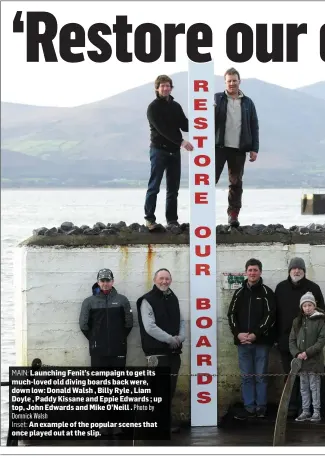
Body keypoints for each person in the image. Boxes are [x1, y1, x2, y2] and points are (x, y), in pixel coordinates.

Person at [274, 257, 325, 418]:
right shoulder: (281, 288)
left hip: (309, 346)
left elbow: (322, 316)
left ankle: (310, 410)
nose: (296, 271)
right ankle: (292, 406)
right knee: (290, 376)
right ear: (289, 271)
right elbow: (275, 314)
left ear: (304, 271)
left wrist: (318, 344)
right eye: (293, 268)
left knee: (310, 380)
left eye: (299, 269)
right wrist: (277, 338)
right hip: (286, 343)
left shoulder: (314, 288)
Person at [136, 268, 186, 434]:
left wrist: (181, 337)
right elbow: (149, 327)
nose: (164, 281)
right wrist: (170, 339)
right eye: (161, 279)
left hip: (173, 354)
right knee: (155, 391)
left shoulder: (173, 298)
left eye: (167, 279)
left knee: (169, 390)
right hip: (156, 354)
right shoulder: (147, 300)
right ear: (155, 280)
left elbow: (182, 320)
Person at [144, 75, 194, 230]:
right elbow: (162, 130)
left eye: (168, 86)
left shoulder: (176, 106)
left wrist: (205, 118)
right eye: (162, 86)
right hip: (158, 150)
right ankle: (149, 219)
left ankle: (172, 220)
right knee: (154, 186)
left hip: (174, 152)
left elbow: (185, 125)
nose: (165, 88)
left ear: (171, 88)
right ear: (157, 88)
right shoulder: (152, 108)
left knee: (173, 188)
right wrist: (182, 142)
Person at [227, 258, 276, 418]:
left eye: (255, 270)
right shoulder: (239, 293)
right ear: (246, 272)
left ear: (260, 272)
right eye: (250, 270)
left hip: (261, 343)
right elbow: (231, 315)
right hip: (242, 343)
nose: (253, 273)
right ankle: (249, 407)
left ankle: (261, 407)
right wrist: (238, 333)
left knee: (261, 376)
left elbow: (270, 316)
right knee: (246, 376)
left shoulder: (267, 293)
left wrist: (256, 334)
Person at [214, 68, 260, 227]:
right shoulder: (216, 99)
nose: (232, 83)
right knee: (209, 180)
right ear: (225, 82)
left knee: (236, 183)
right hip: (218, 147)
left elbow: (254, 126)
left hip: (239, 149)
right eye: (229, 81)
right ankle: (203, 212)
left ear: (239, 81)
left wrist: (255, 148)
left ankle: (233, 216)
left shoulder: (248, 102)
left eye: (234, 80)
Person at [79, 268, 133, 367]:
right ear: (98, 282)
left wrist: (119, 338)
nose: (105, 283)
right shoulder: (89, 302)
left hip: (118, 348)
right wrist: (95, 338)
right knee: (99, 381)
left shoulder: (122, 300)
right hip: (97, 350)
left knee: (118, 380)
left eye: (108, 280)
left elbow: (129, 323)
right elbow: (83, 325)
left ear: (112, 281)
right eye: (102, 281)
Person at [290, 292, 325, 422]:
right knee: (303, 387)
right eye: (305, 305)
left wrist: (307, 353)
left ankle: (316, 411)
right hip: (301, 361)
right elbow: (292, 341)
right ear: (302, 307)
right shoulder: (297, 322)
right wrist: (297, 353)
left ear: (314, 306)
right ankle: (305, 411)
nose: (307, 308)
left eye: (310, 305)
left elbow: (321, 341)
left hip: (314, 361)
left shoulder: (320, 321)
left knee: (314, 387)